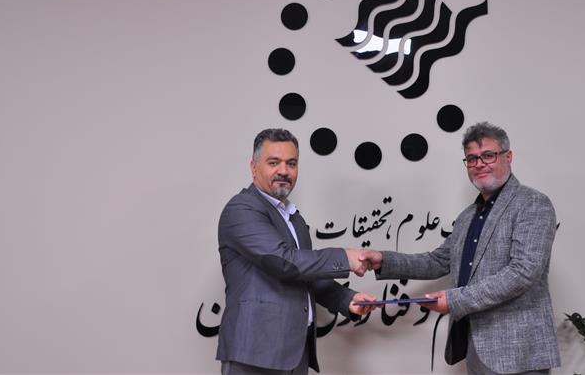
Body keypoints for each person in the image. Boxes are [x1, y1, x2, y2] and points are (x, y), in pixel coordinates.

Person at [360, 122, 561, 375]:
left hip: (518, 352)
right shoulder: (468, 216)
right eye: (472, 159)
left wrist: (455, 300)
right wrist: (383, 260)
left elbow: (523, 272)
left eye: (488, 155)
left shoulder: (533, 203)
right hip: (476, 348)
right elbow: (438, 261)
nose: (479, 164)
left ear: (508, 156)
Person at [217, 128, 376, 375]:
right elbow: (284, 262)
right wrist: (345, 257)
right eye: (274, 162)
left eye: (291, 163)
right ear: (253, 167)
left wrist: (346, 299)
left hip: (294, 354)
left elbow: (305, 275)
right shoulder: (241, 209)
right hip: (255, 355)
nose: (284, 171)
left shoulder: (294, 219)